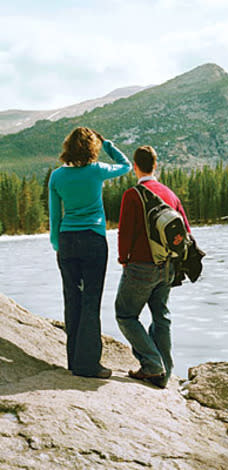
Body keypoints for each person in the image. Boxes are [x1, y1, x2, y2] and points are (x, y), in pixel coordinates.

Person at [49, 127, 131, 378]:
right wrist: (108, 145)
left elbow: (55, 215)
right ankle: (89, 365)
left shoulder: (57, 176)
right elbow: (126, 165)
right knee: (90, 301)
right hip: (93, 240)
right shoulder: (97, 170)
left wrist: (57, 244)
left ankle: (74, 361)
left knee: (72, 299)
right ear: (91, 148)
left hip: (66, 240)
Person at [115, 145, 191, 388]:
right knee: (161, 316)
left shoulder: (133, 194)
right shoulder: (170, 194)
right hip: (167, 266)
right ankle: (164, 373)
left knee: (126, 315)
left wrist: (123, 259)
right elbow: (186, 232)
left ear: (135, 167)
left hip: (140, 266)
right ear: (155, 165)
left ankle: (152, 364)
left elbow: (125, 233)